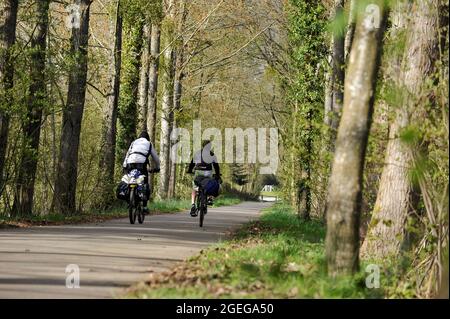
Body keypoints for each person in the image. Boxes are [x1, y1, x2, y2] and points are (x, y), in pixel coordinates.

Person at [123, 131, 160, 214]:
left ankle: (129, 200)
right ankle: (145, 206)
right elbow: (156, 158)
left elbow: (128, 154)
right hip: (141, 164)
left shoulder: (134, 142)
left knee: (129, 179)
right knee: (144, 182)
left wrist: (124, 165)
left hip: (130, 162)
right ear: (147, 138)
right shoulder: (148, 143)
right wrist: (157, 167)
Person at [187, 140, 221, 217]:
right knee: (210, 184)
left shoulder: (197, 153)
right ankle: (209, 198)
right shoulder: (212, 154)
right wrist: (218, 174)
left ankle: (193, 205)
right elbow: (216, 166)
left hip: (198, 172)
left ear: (203, 146)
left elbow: (192, 163)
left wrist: (189, 170)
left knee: (195, 188)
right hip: (208, 173)